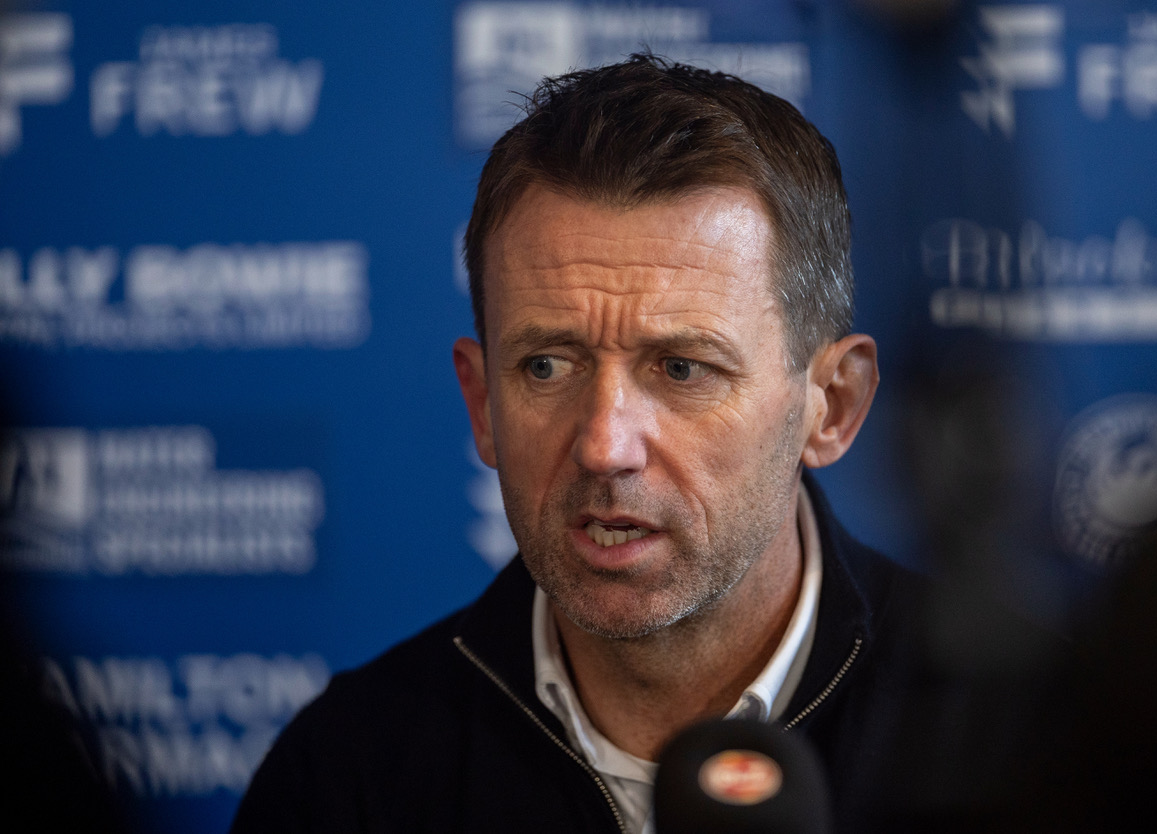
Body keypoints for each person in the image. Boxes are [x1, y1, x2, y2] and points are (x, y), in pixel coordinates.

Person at [232, 55, 1051, 834]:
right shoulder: (349, 773)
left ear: (830, 407)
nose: (605, 446)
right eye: (548, 365)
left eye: (683, 368)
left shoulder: (1014, 741)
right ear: (482, 403)